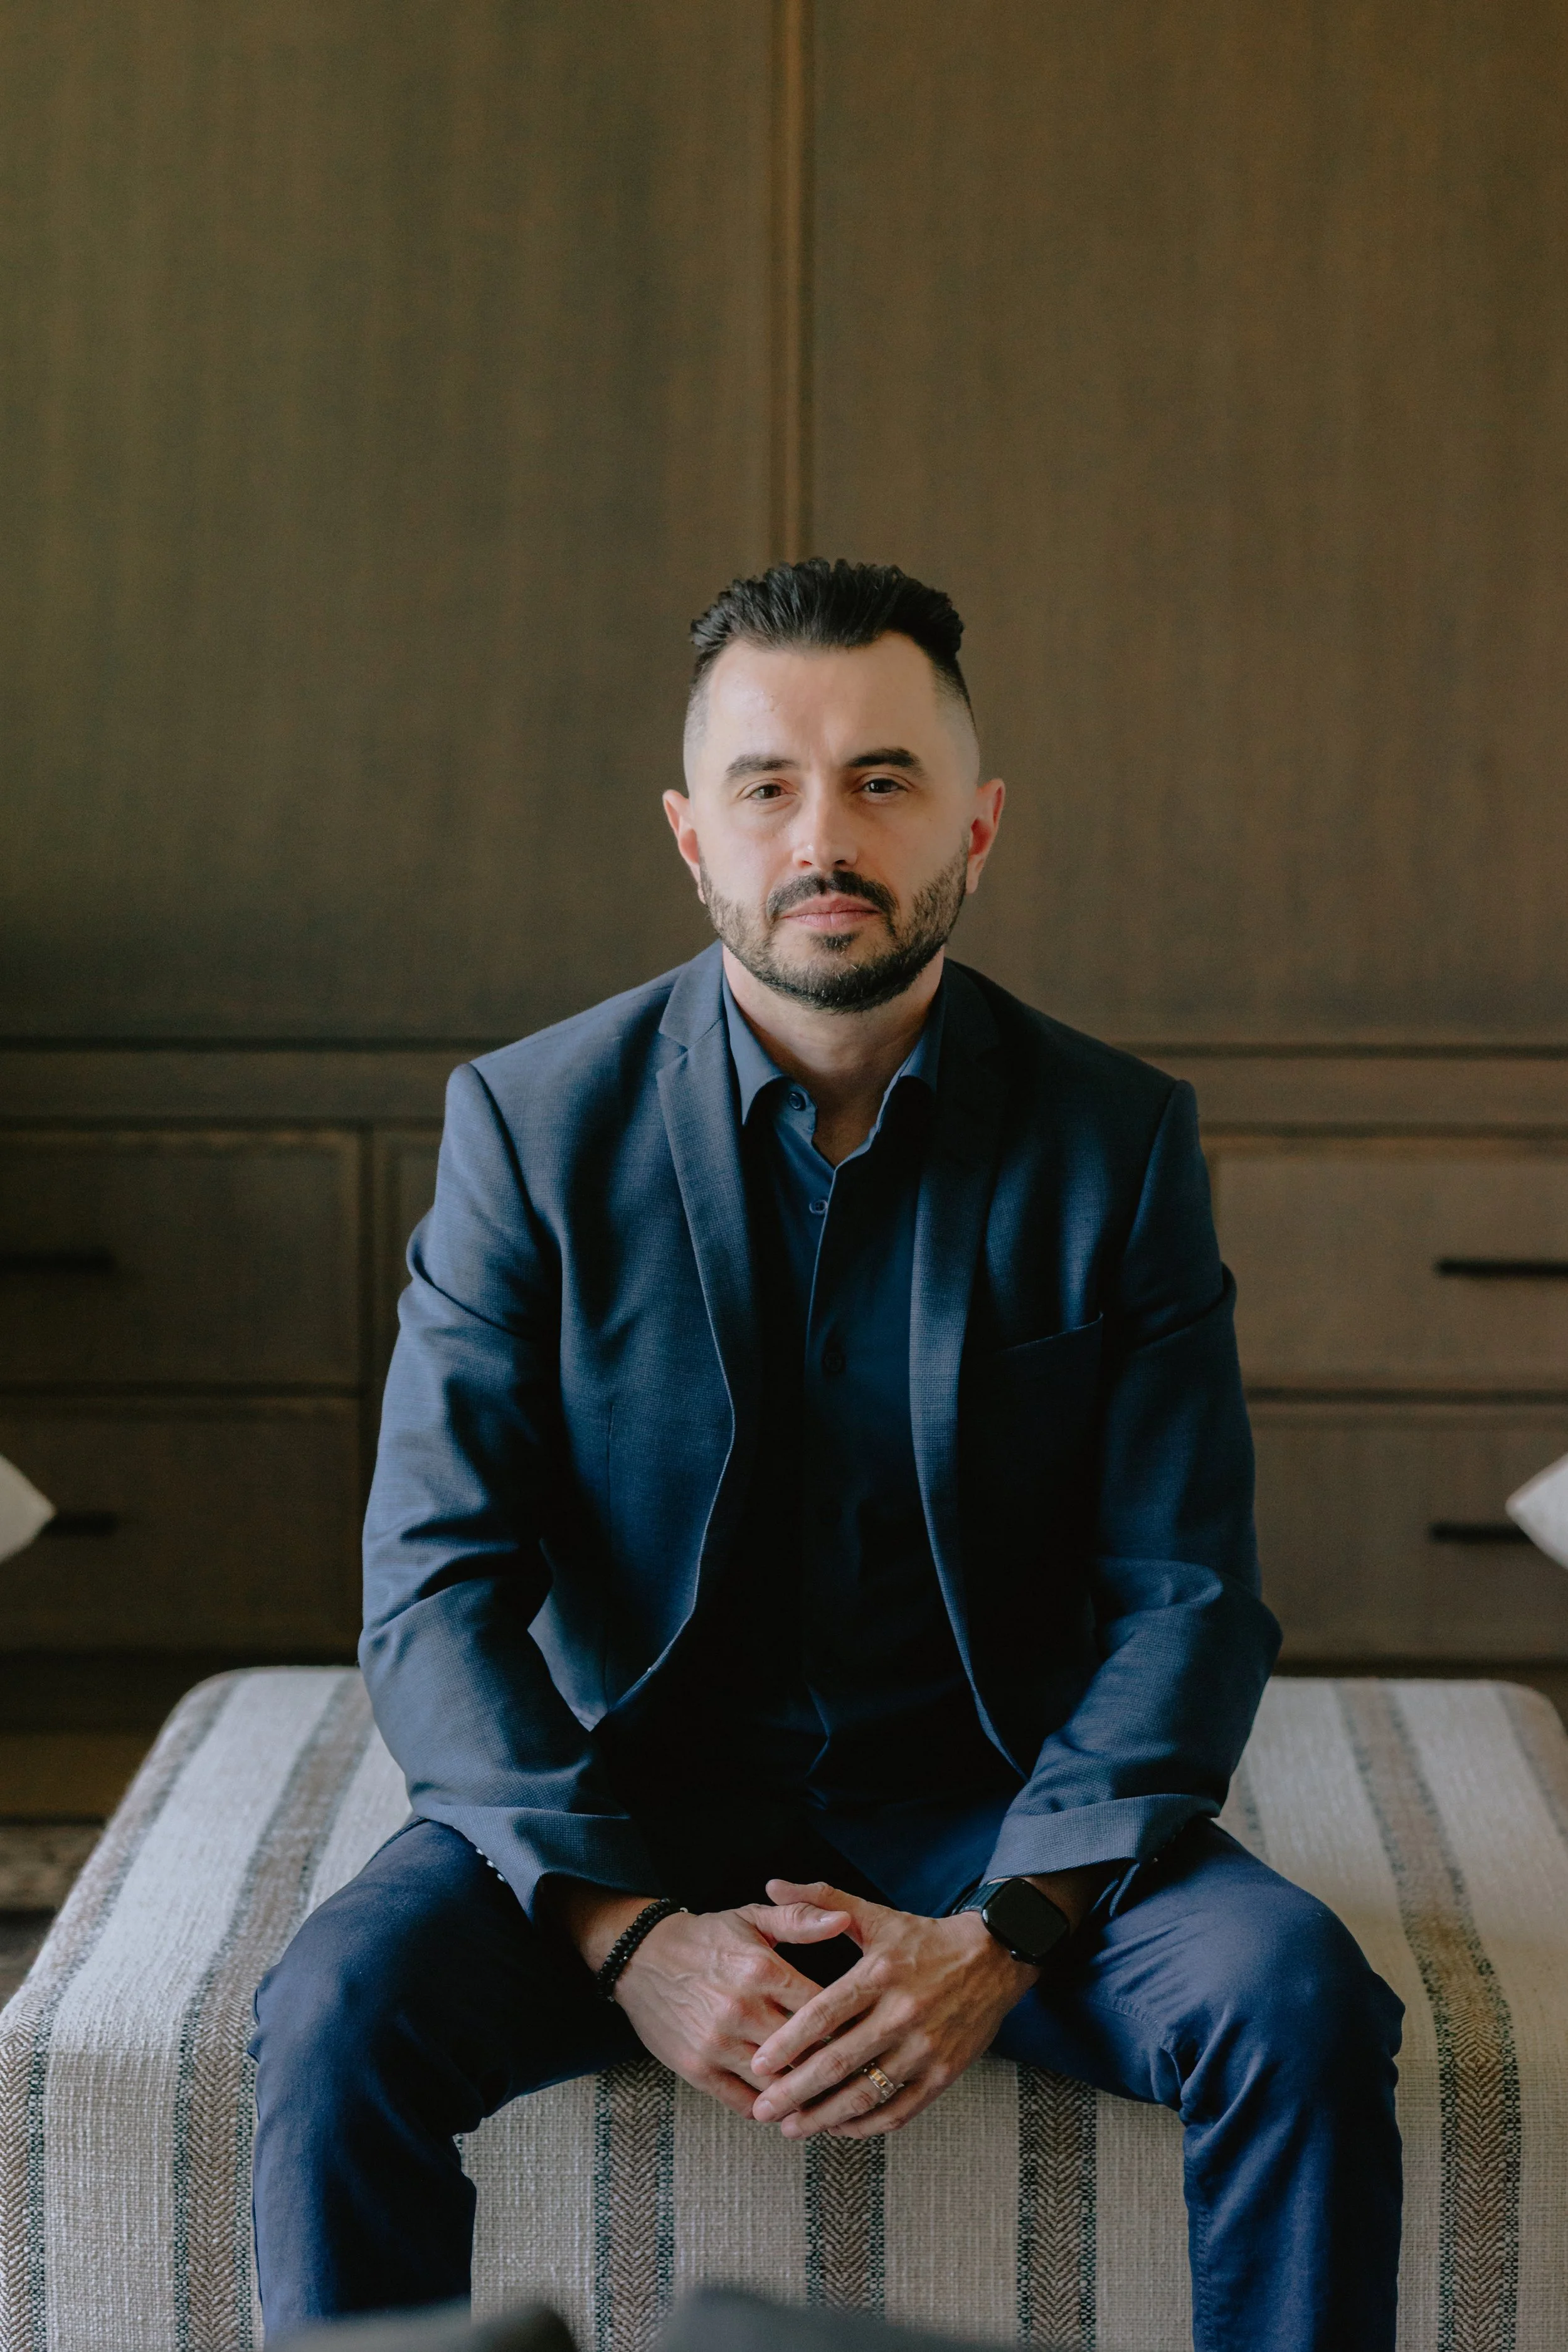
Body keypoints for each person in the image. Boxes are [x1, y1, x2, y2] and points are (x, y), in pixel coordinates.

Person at [251, 559, 1402, 2352]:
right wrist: (634, 1935)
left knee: (1296, 1992)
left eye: (882, 779)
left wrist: (1004, 1928)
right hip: (623, 1792)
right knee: (333, 2007)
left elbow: (1185, 1595)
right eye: (765, 784)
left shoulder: (1116, 1140)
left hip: (995, 1797)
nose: (824, 834)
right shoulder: (529, 1126)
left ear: (978, 820)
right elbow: (435, 1589)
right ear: (689, 834)